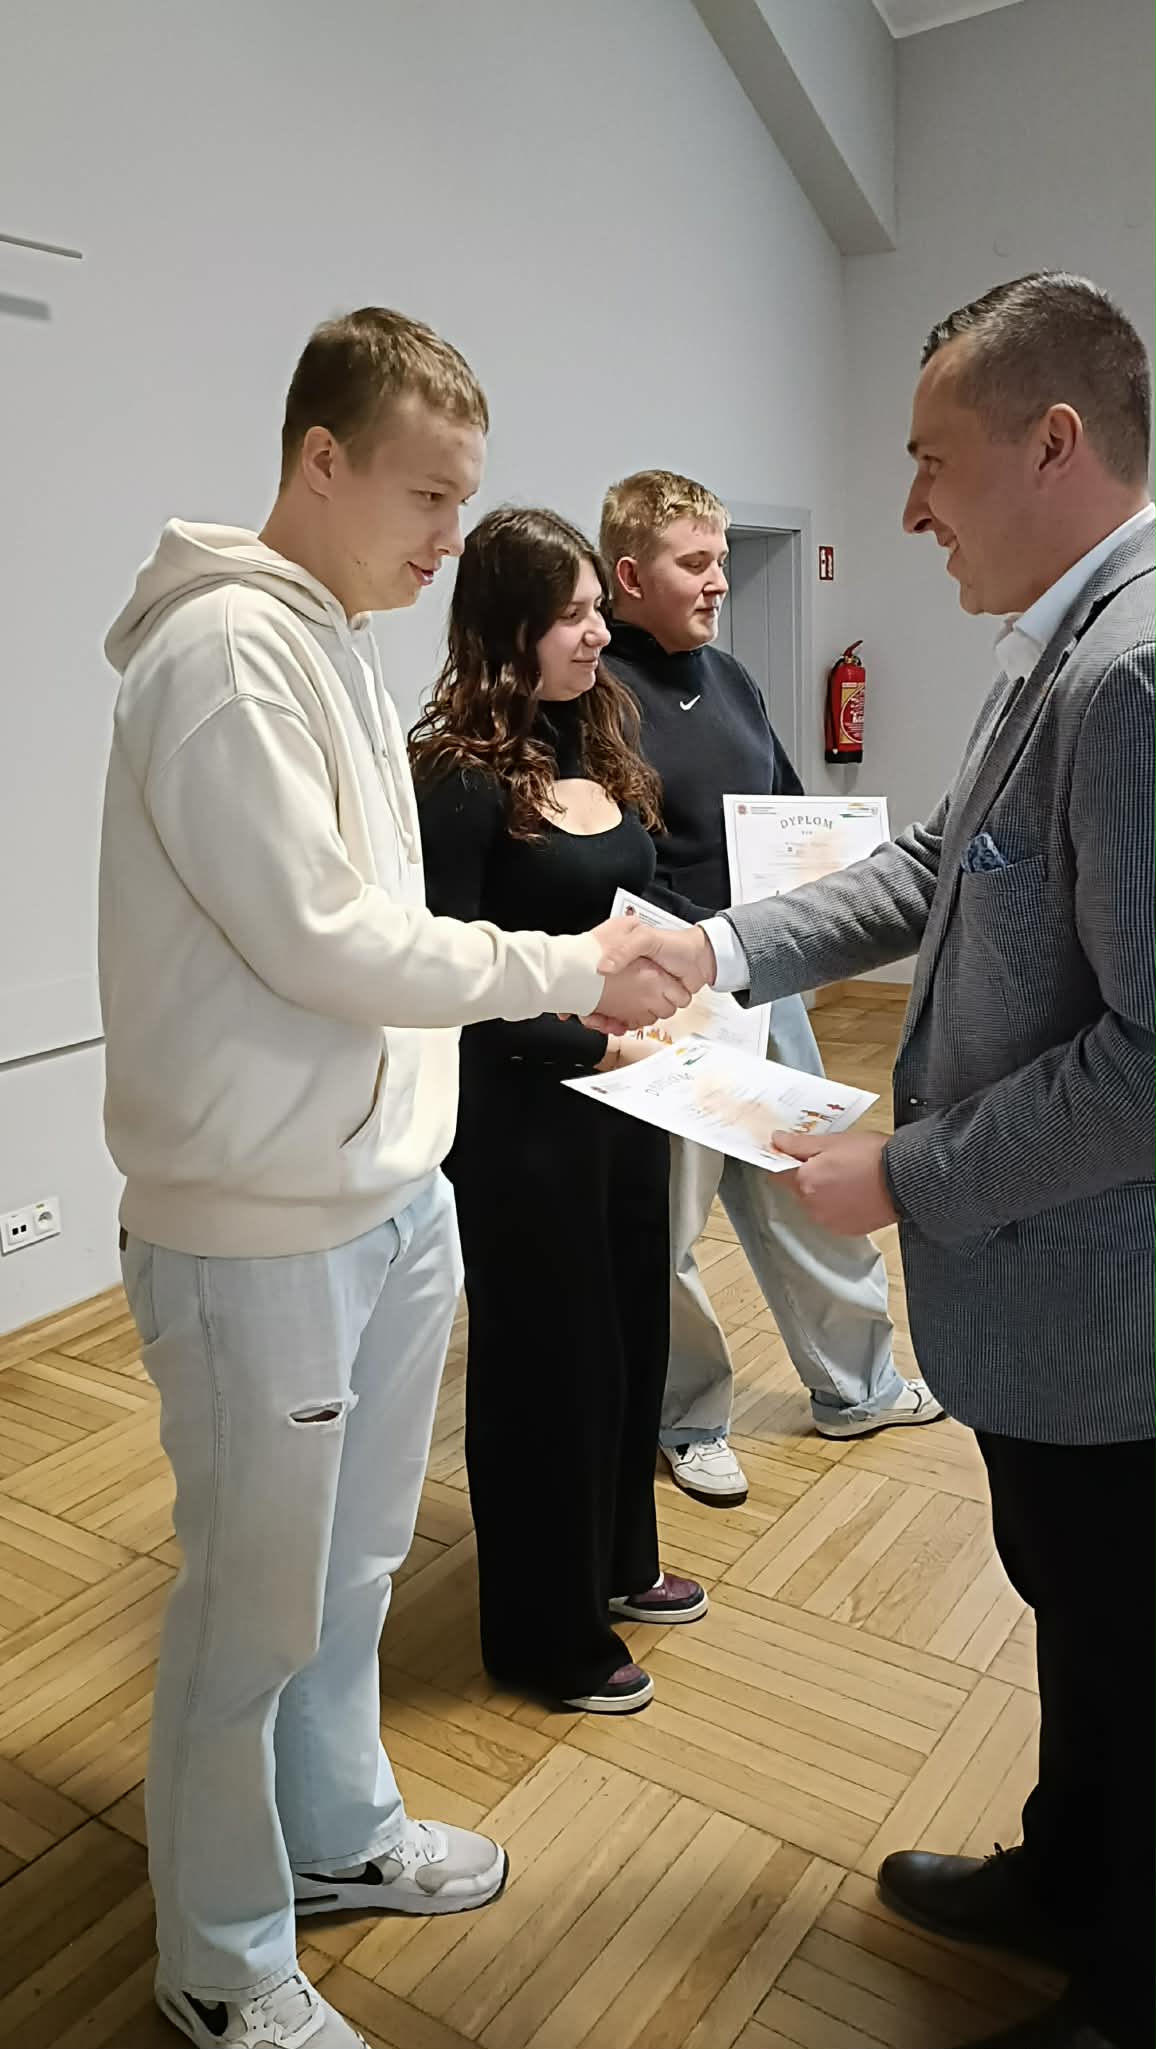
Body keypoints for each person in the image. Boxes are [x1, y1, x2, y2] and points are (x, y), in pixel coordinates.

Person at [99, 309, 706, 2049]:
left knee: (354, 1568)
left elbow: (384, 929)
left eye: (464, 496)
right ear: (323, 459)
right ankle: (223, 1954)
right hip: (260, 1231)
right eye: (429, 493)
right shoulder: (225, 653)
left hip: (385, 1195)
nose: (453, 533)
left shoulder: (333, 641)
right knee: (250, 1607)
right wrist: (575, 967)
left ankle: (337, 1828)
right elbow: (326, 939)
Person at [643, 275, 1156, 2049]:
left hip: (1109, 1309)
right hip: (1050, 1301)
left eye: (936, 461)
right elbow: (940, 863)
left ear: (1054, 442)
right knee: (1083, 1616)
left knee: (1131, 1633)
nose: (914, 507)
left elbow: (1151, 1064)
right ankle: (1066, 1874)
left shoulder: (1133, 671)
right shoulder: (1063, 639)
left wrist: (907, 1168)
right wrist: (715, 948)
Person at [409, 507, 707, 1715]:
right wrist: (588, 1033)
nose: (597, 633)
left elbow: (640, 902)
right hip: (522, 1122)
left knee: (630, 1333)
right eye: (573, 615)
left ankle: (619, 1563)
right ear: (507, 627)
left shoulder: (594, 744)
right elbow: (442, 980)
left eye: (596, 609)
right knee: (548, 1367)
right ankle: (545, 1635)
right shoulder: (455, 779)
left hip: (627, 1100)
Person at [599, 470, 941, 1508]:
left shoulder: (732, 678)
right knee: (671, 1225)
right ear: (629, 575)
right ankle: (686, 1419)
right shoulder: (591, 692)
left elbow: (783, 805)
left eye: (720, 560)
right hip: (667, 998)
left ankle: (859, 1386)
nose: (717, 581)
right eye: (694, 563)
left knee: (805, 1181)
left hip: (761, 974)